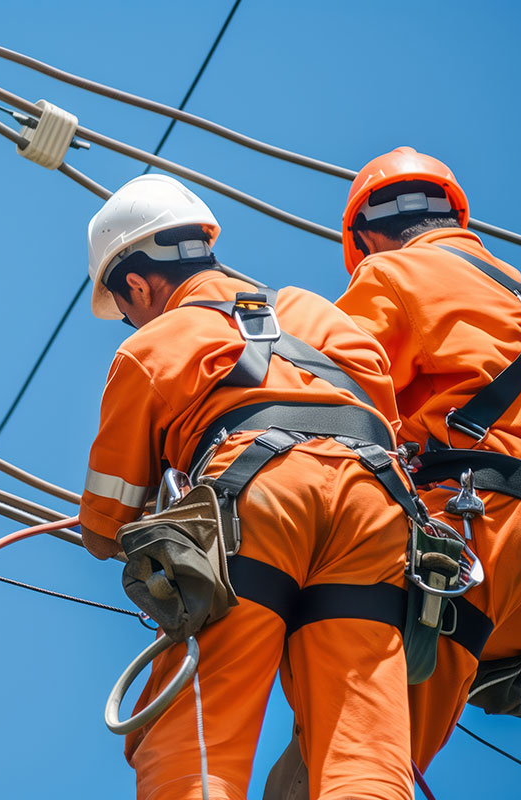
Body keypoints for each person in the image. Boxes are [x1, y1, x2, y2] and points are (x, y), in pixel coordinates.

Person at [80, 174, 414, 800]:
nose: (129, 321)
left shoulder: (153, 344)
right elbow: (382, 415)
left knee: (194, 740)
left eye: (125, 309)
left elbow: (105, 527)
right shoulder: (318, 312)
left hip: (256, 502)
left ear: (137, 284)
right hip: (375, 506)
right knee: (362, 750)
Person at [335, 147, 521, 769]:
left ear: (365, 236)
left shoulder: (390, 276)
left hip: (465, 534)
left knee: (355, 758)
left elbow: (333, 399)